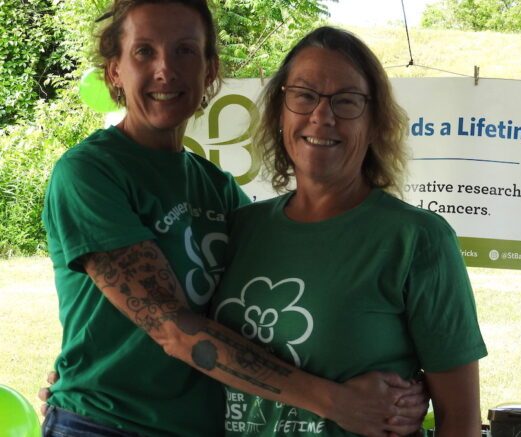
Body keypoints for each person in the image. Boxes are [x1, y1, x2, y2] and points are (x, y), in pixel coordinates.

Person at [40, 1, 424, 436]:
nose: (165, 69)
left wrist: (402, 393)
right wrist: (337, 402)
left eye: (185, 50)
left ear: (210, 71)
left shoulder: (218, 189)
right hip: (105, 423)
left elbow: (286, 308)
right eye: (144, 51)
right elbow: (173, 329)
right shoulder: (90, 172)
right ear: (114, 71)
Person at [211, 26, 488, 436]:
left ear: (375, 123)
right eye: (304, 95)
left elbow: (460, 419)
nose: (322, 116)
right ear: (279, 111)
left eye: (346, 101)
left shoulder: (417, 239)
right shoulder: (241, 228)